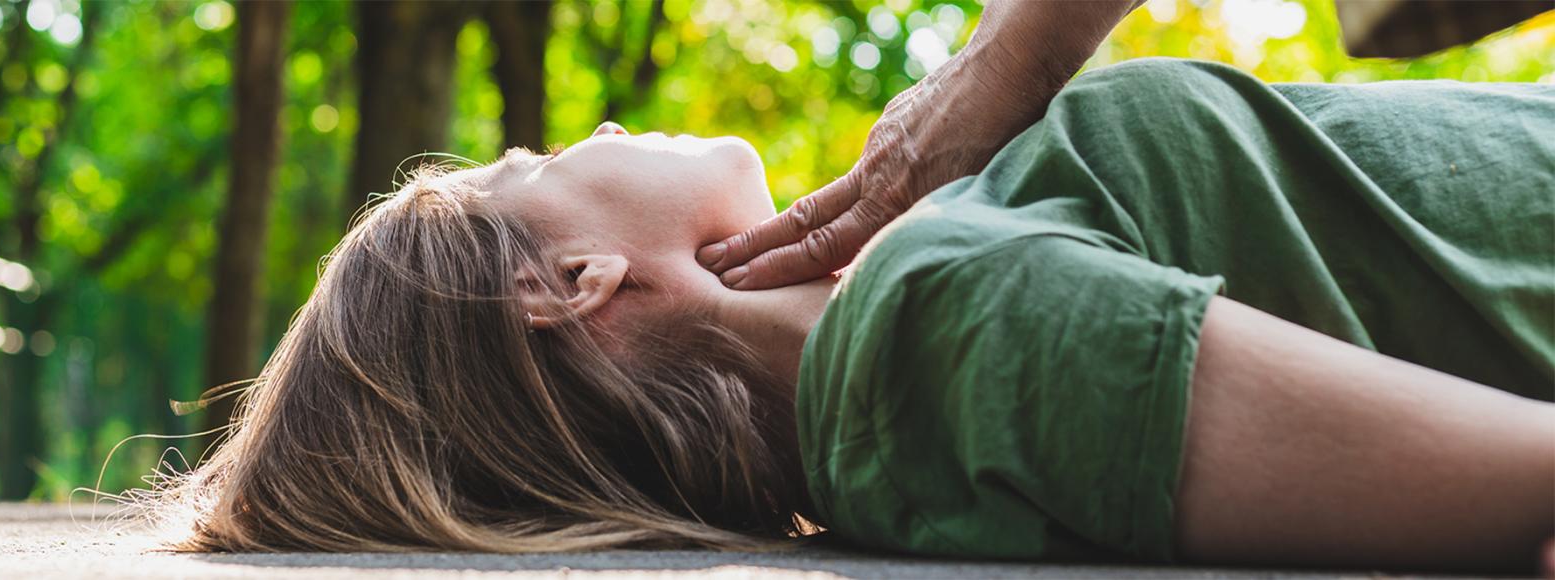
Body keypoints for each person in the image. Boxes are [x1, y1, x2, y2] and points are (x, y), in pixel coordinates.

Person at [160, 55, 1555, 571]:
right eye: (534, 166)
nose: (590, 121)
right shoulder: (932, 339)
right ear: (563, 285)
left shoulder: (913, 332)